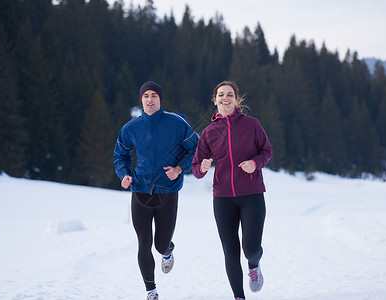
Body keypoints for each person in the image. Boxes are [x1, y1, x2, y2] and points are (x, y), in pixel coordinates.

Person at [114, 81, 198, 300]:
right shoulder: (131, 127)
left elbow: (196, 149)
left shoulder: (177, 123)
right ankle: (151, 290)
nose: (149, 100)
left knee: (160, 244)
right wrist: (124, 174)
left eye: (154, 96)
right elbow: (120, 154)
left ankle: (168, 250)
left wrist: (180, 168)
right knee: (144, 241)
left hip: (167, 190)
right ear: (141, 100)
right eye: (146, 96)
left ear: (161, 99)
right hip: (140, 189)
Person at [192, 81, 273, 300]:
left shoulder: (251, 124)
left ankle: (254, 265)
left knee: (250, 248)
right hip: (223, 198)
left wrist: (255, 163)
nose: (225, 98)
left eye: (229, 94)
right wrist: (203, 167)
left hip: (252, 195)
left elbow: (267, 151)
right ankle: (239, 296)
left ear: (236, 100)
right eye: (221, 94)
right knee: (230, 250)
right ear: (215, 99)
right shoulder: (208, 133)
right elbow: (196, 170)